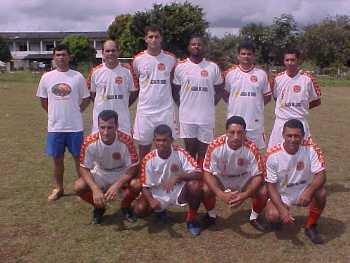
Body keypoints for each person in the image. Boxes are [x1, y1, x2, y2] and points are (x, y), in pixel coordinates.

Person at [36, 44, 90, 201]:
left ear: (69, 56)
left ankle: (83, 189)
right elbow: (43, 100)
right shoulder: (47, 77)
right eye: (58, 55)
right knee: (57, 160)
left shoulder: (77, 77)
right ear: (54, 57)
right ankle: (59, 188)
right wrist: (54, 114)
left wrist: (77, 111)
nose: (61, 57)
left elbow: (86, 98)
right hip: (55, 127)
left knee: (79, 160)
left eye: (64, 54)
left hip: (75, 127)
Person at [133, 125, 203, 236]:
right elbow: (145, 186)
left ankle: (191, 220)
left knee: (195, 186)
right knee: (139, 210)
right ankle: (160, 211)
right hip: (158, 193)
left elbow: (199, 173)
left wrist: (178, 176)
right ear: (154, 141)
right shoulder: (148, 159)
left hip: (178, 190)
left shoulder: (179, 152)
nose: (161, 143)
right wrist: (151, 201)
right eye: (158, 140)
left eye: (165, 140)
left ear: (171, 140)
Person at [265, 119, 326, 244]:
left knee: (321, 193)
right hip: (283, 194)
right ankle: (279, 219)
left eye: (297, 136)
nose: (293, 139)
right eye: (289, 135)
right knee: (273, 215)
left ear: (303, 136)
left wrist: (309, 191)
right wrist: (282, 210)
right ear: (283, 135)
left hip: (303, 190)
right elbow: (270, 186)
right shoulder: (272, 154)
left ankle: (311, 225)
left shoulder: (311, 148)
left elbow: (321, 175)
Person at [202, 116, 268, 231]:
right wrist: (220, 193)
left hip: (243, 179)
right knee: (205, 189)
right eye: (232, 132)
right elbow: (207, 172)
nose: (236, 137)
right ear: (226, 132)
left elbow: (258, 175)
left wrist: (245, 194)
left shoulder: (252, 147)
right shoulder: (215, 145)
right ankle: (211, 215)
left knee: (263, 191)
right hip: (222, 178)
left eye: (240, 133)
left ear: (245, 133)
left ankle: (254, 217)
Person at [75, 110, 140, 224]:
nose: (105, 132)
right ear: (98, 126)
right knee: (79, 186)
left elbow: (133, 167)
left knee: (137, 184)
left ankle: (125, 206)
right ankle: (99, 207)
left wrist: (117, 185)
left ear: (116, 126)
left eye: (110, 127)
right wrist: (95, 189)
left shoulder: (126, 140)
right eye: (102, 127)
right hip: (101, 172)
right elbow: (84, 168)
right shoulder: (89, 142)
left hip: (121, 172)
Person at [172, 35, 224, 169]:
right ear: (189, 47)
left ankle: (202, 176)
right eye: (193, 44)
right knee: (190, 149)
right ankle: (191, 175)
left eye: (199, 44)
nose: (196, 46)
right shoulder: (180, 67)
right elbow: (175, 89)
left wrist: (210, 104)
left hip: (206, 117)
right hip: (187, 116)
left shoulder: (212, 67)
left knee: (204, 150)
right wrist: (182, 105)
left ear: (203, 47)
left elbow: (219, 89)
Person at [132, 25, 178, 160]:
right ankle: (143, 179)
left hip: (165, 111)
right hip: (145, 112)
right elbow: (136, 83)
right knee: (144, 150)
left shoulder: (171, 59)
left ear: (161, 38)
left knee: (167, 148)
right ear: (145, 39)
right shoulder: (138, 60)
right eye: (150, 37)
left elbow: (173, 81)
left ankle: (167, 178)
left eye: (156, 37)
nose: (154, 40)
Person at [268, 49, 321, 148]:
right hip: (281, 122)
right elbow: (277, 98)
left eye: (293, 60)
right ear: (283, 61)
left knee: (302, 156)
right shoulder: (277, 79)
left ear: (298, 61)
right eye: (287, 60)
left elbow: (317, 101)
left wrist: (301, 107)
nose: (290, 63)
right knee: (275, 154)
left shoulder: (308, 79)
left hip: (300, 122)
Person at [223, 40, 271, 150]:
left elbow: (267, 97)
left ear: (254, 56)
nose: (246, 56)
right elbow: (225, 95)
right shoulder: (230, 73)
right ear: (238, 56)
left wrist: (256, 105)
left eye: (249, 54)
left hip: (254, 122)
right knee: (234, 152)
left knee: (254, 153)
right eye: (243, 54)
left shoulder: (261, 74)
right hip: (235, 122)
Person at [87, 39, 138, 135]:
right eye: (107, 51)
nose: (111, 53)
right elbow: (92, 94)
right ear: (102, 53)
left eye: (113, 50)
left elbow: (134, 92)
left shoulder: (128, 71)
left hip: (122, 121)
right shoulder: (95, 71)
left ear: (118, 52)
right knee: (101, 148)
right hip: (101, 121)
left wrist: (124, 103)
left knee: (123, 149)